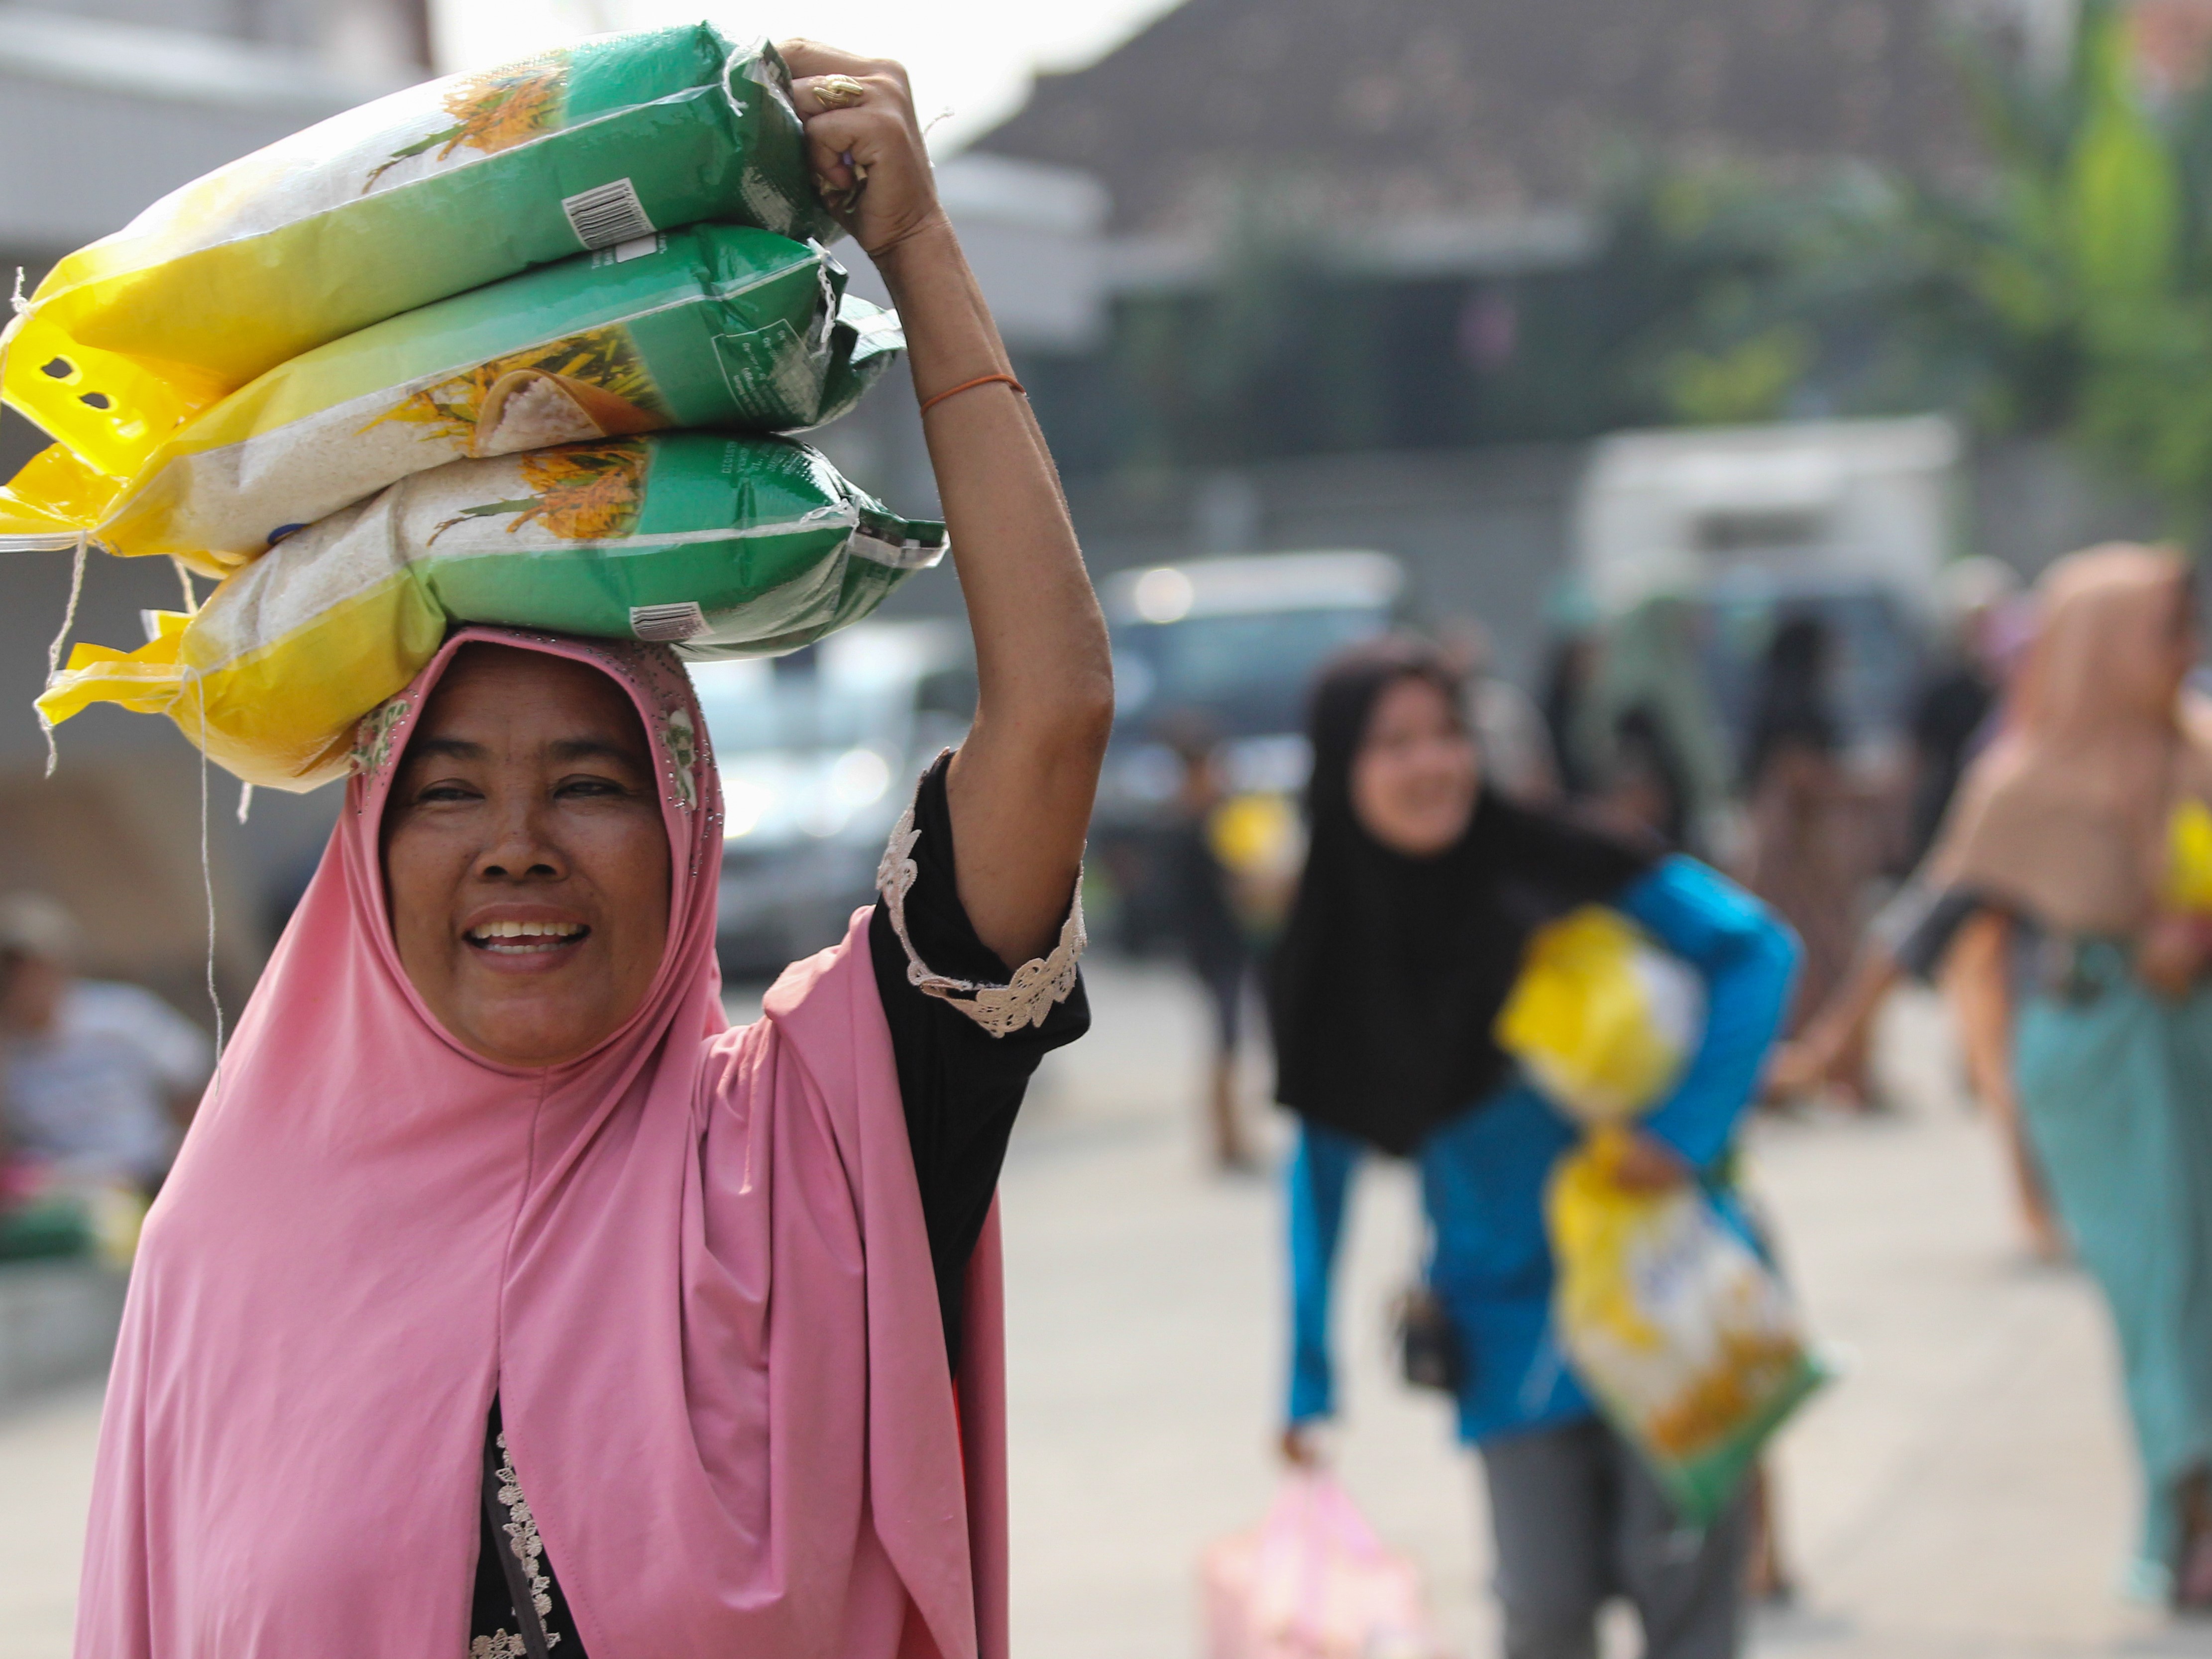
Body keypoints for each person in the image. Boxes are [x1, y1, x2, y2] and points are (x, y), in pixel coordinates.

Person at [72, 44, 1114, 1655]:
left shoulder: (815, 1151)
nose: (514, 849)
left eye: (589, 782)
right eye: (447, 793)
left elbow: (1048, 724)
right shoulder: (223, 1251)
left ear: (689, 825)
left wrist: (923, 258)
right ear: (367, 845)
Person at [1271, 638, 1797, 1659]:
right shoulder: (1327, 947)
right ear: (1337, 768)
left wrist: (1680, 1130)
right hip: (1500, 1307)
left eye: (1445, 734)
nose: (1431, 764)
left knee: (1682, 1581)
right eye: (1393, 743)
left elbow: (1755, 951)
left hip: (1664, 1276)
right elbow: (1321, 1160)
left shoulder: (1561, 855)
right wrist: (1305, 1369)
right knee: (1542, 1610)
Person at [1904, 545, 2212, 1608]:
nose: (2183, 653)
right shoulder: (2019, 787)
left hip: (2194, 1040)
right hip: (2090, 1054)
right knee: (2151, 1285)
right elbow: (1931, 924)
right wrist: (1812, 1044)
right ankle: (2185, 1506)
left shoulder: (2199, 757)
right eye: (2165, 630)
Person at [1734, 615, 1881, 1051]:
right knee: (1816, 950)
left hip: (1790, 850)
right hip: (1801, 852)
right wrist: (1861, 789)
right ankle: (1818, 1052)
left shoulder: (1768, 700)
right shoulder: (1795, 708)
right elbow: (1800, 774)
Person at [0, 893, 210, 1194]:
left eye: (33, 969)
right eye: (12, 976)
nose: (27, 985)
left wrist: (190, 1150)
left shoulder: (121, 1015)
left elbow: (192, 1078)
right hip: (78, 1198)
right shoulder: (10, 1061)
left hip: (161, 1167)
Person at [1157, 723, 1259, 1170]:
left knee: (1229, 1040)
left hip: (1221, 944)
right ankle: (1226, 1136)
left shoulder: (1202, 817)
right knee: (1224, 1041)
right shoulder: (1190, 823)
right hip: (1212, 947)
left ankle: (1231, 1133)